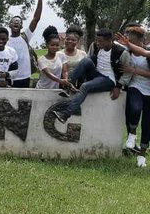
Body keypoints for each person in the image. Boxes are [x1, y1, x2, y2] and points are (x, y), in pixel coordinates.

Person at [53, 29, 131, 124]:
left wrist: (118, 86)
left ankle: (65, 115)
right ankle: (68, 86)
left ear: (109, 40)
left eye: (100, 41)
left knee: (85, 86)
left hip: (109, 80)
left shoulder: (121, 52)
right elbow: (88, 63)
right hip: (96, 74)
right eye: (97, 40)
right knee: (86, 60)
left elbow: (128, 72)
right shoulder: (96, 47)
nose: (98, 43)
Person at [114, 28, 150, 166]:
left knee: (147, 126)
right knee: (135, 109)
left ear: (141, 41)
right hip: (136, 87)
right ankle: (132, 134)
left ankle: (142, 156)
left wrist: (135, 70)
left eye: (131, 40)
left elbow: (144, 53)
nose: (127, 41)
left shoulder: (147, 52)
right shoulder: (126, 53)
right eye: (127, 39)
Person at [6, 0, 44, 88]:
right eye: (14, 21)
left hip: (25, 77)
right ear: (10, 25)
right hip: (9, 77)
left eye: (19, 22)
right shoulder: (5, 40)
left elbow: (36, 19)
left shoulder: (25, 36)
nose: (16, 22)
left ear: (21, 26)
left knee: (24, 102)